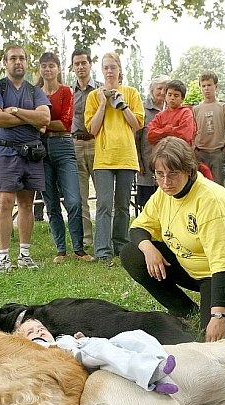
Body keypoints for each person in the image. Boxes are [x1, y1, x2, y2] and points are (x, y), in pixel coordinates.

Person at [120, 137, 225, 342]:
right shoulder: (163, 193)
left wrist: (218, 316)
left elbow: (222, 263)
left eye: (172, 174)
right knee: (132, 253)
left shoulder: (211, 200)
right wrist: (148, 248)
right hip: (195, 268)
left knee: (217, 340)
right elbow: (137, 228)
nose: (165, 182)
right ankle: (184, 310)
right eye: (159, 175)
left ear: (188, 170)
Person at [0, 44, 51, 272]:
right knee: (4, 203)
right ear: (5, 63)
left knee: (26, 204)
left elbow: (45, 118)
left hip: (31, 153)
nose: (18, 62)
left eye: (22, 58)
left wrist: (15, 111)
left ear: (27, 62)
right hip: (5, 152)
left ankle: (24, 254)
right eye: (13, 58)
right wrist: (30, 119)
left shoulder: (34, 91)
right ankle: (2, 257)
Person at [85, 52, 144, 263]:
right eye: (106, 67)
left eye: (113, 67)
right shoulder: (94, 96)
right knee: (103, 205)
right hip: (103, 159)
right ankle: (102, 251)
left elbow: (137, 124)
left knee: (122, 205)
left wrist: (122, 104)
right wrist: (102, 103)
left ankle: (121, 246)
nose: (109, 71)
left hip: (126, 157)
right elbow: (92, 129)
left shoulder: (131, 93)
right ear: (101, 70)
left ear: (120, 69)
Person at [15, 318, 178, 394]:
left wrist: (81, 339)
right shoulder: (37, 349)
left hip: (91, 348)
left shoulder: (63, 338)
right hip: (76, 359)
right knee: (103, 351)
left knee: (135, 335)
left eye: (41, 328)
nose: (38, 332)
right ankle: (150, 371)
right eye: (31, 332)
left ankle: (160, 368)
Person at [36, 52, 93, 264]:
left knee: (74, 201)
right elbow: (35, 120)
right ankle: (61, 250)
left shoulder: (65, 91)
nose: (48, 69)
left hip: (63, 145)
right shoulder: (34, 93)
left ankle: (79, 247)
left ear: (59, 68)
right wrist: (37, 121)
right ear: (40, 69)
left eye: (52, 65)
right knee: (51, 202)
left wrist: (39, 122)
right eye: (44, 66)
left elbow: (66, 124)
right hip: (40, 149)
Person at [71, 48, 101, 248]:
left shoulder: (100, 90)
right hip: (75, 144)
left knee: (104, 194)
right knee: (80, 195)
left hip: (97, 142)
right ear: (73, 67)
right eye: (77, 64)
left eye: (84, 63)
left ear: (90, 64)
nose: (81, 67)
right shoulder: (68, 91)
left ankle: (104, 237)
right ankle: (87, 239)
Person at [135, 75, 170, 209]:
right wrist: (138, 162)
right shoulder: (142, 109)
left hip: (168, 163)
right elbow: (136, 138)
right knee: (148, 206)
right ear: (151, 90)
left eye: (165, 88)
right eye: (159, 88)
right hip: (147, 164)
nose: (162, 92)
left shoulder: (172, 108)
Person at [193, 71, 225, 186]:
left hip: (217, 152)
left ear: (216, 86)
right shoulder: (196, 109)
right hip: (200, 153)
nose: (206, 89)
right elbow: (192, 132)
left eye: (209, 85)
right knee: (201, 186)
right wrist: (194, 149)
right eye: (203, 86)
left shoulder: (223, 107)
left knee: (218, 186)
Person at [147, 80, 197, 148]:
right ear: (165, 96)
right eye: (169, 95)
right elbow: (150, 136)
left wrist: (162, 132)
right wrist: (169, 130)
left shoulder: (186, 113)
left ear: (182, 98)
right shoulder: (160, 116)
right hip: (162, 153)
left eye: (176, 96)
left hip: (181, 153)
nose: (172, 98)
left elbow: (185, 135)